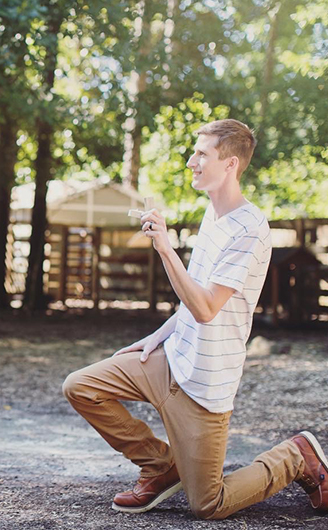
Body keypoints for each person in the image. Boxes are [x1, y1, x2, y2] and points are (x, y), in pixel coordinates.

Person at [63, 119, 327, 519]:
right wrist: (158, 334)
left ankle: (295, 456)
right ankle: (160, 467)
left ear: (231, 164)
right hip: (170, 358)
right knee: (80, 386)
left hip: (205, 383)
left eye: (202, 154)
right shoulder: (212, 213)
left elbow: (206, 308)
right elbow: (192, 297)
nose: (191, 161)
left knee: (209, 504)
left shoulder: (251, 229)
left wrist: (165, 249)